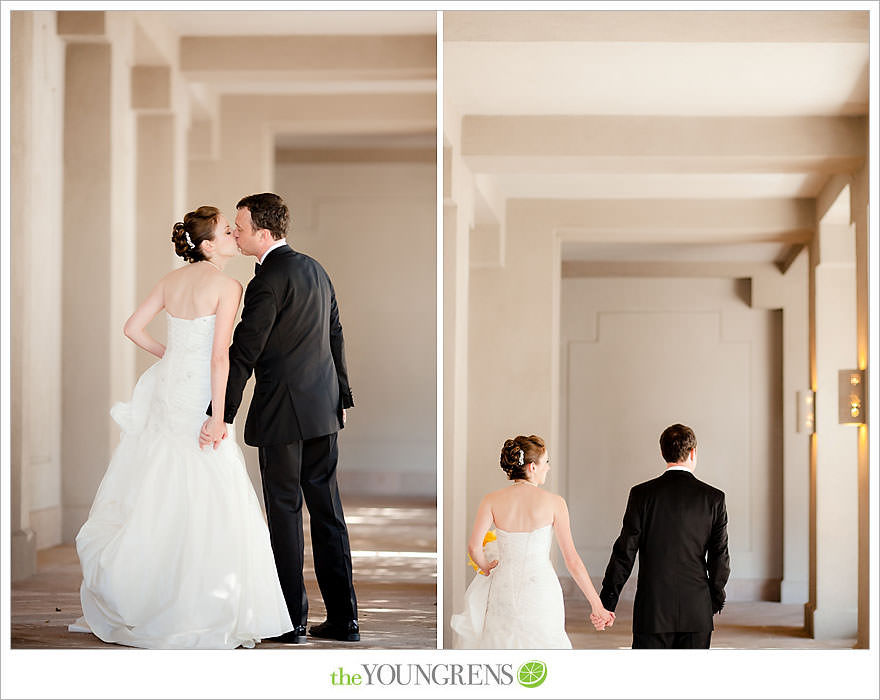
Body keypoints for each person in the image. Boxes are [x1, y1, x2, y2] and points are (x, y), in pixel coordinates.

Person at [69, 206, 293, 649]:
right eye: (226, 232)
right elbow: (219, 356)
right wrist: (217, 414)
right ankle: (197, 600)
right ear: (208, 245)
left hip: (169, 389)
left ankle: (148, 591)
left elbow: (133, 328)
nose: (234, 235)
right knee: (208, 481)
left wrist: (169, 356)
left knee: (158, 478)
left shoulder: (171, 281)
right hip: (198, 394)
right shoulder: (229, 285)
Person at [201, 193, 358, 644]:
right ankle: (346, 621)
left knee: (285, 515)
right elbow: (335, 334)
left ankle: (291, 621)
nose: (237, 233)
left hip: (282, 417)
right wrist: (341, 395)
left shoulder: (268, 279)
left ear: (263, 233)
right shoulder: (315, 269)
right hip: (323, 412)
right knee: (329, 514)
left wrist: (220, 414)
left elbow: (245, 351)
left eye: (241, 227)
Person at [451, 435, 614, 648]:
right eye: (545, 462)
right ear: (532, 467)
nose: (548, 467)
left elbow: (474, 547)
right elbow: (572, 560)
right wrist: (597, 605)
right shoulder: (555, 503)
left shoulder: (491, 500)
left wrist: (486, 568)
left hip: (503, 588)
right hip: (540, 588)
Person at [596, 423, 731, 649]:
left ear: (662, 453)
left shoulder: (641, 495)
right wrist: (714, 599)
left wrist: (608, 601)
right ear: (693, 452)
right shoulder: (714, 498)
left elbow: (624, 553)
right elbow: (720, 557)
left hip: (652, 609)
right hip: (696, 610)